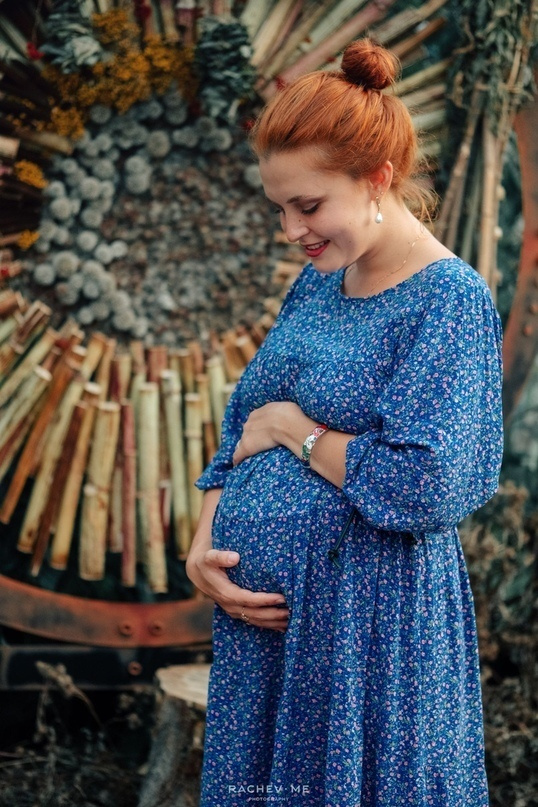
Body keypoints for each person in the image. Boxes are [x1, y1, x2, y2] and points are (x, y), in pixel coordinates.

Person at [186, 38, 503, 807]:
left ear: (377, 180)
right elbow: (244, 419)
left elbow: (428, 481)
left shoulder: (448, 301)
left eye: (309, 204)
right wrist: (206, 538)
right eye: (281, 208)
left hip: (371, 630)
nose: (293, 228)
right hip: (271, 639)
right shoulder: (321, 282)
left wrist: (300, 432)